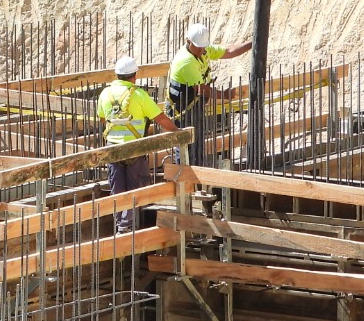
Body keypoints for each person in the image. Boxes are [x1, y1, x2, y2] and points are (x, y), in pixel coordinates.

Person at [97, 56, 180, 234]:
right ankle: (129, 226)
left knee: (117, 188)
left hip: (113, 149)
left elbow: (103, 118)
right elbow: (160, 118)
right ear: (134, 76)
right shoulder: (140, 95)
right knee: (135, 188)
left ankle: (121, 226)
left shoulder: (105, 94)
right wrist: (178, 132)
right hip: (135, 148)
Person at [167, 22, 251, 167]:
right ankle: (185, 180)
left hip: (193, 104)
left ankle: (195, 177)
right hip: (182, 109)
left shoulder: (204, 51)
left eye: (203, 47)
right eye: (198, 47)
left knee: (197, 145)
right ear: (189, 42)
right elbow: (202, 89)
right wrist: (225, 95)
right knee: (185, 146)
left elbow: (229, 51)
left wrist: (252, 43)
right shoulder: (185, 62)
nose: (201, 51)